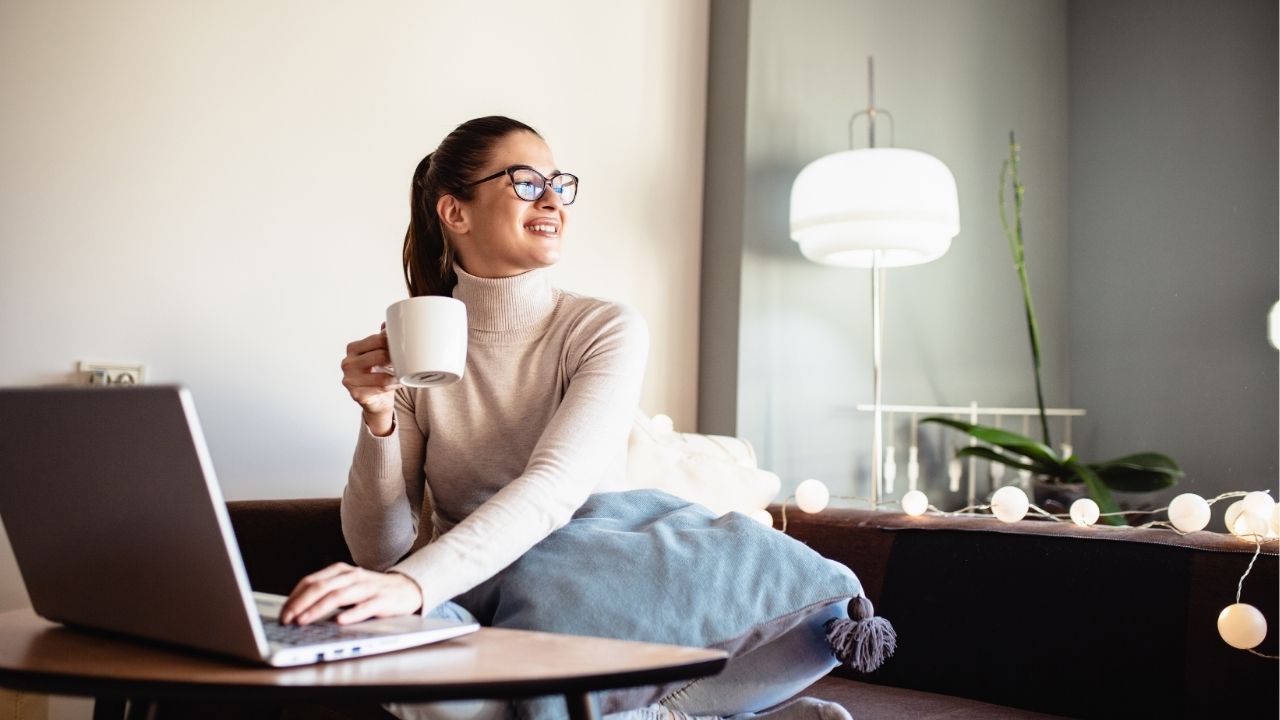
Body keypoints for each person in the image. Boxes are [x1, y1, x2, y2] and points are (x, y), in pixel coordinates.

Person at [280, 116, 857, 720]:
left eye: (558, 182)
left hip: (607, 591)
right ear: (456, 213)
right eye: (526, 182)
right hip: (480, 600)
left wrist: (413, 585)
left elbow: (552, 489)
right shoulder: (415, 347)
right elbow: (378, 552)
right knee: (360, 645)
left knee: (825, 621)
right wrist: (377, 420)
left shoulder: (602, 328)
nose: (553, 199)